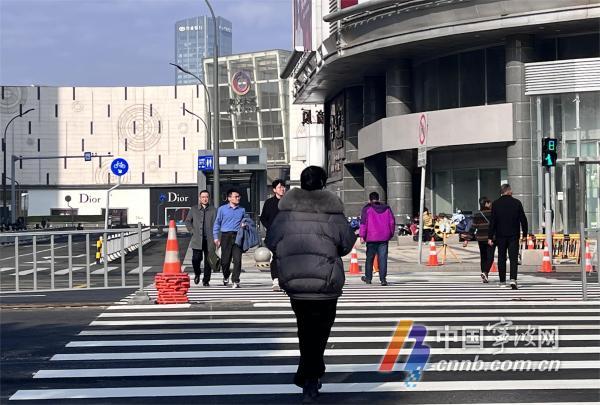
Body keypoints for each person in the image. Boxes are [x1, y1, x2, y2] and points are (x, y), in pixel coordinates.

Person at [266, 166, 356, 404]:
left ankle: (308, 375)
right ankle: (311, 376)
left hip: (296, 281)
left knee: (305, 329)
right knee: (321, 331)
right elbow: (347, 243)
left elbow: (271, 241)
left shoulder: (285, 212)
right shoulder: (333, 212)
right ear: (323, 183)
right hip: (326, 281)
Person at [488, 184, 528, 290]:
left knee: (501, 257)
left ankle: (502, 281)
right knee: (513, 258)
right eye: (511, 190)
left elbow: (493, 221)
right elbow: (523, 219)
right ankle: (513, 279)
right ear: (509, 191)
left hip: (500, 235)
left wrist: (490, 236)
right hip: (514, 235)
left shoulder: (496, 204)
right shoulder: (516, 203)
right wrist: (524, 234)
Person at [359, 191, 395, 286]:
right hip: (384, 237)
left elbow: (363, 223)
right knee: (382, 258)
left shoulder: (367, 209)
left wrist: (362, 235)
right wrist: (390, 234)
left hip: (371, 237)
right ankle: (383, 279)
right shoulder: (387, 208)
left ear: (369, 200)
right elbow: (392, 222)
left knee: (370, 258)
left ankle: (368, 278)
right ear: (378, 199)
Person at [213, 188, 246, 288]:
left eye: (239, 196)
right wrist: (216, 237)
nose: (238, 198)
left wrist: (244, 225)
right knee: (225, 261)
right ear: (229, 198)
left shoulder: (242, 210)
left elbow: (246, 221)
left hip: (238, 236)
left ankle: (235, 280)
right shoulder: (222, 209)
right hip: (225, 236)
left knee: (237, 260)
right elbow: (217, 223)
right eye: (236, 197)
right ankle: (226, 275)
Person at [185, 190, 217, 286]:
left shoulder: (214, 210)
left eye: (206, 197)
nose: (205, 199)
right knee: (196, 259)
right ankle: (197, 273)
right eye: (203, 197)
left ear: (209, 198)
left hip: (210, 239)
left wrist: (217, 238)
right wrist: (192, 231)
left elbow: (217, 224)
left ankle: (206, 280)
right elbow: (187, 221)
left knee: (208, 261)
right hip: (197, 239)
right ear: (199, 198)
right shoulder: (194, 209)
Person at [259, 179, 286, 291]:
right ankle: (275, 280)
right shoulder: (269, 203)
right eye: (280, 187)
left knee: (285, 257)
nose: (282, 189)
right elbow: (263, 218)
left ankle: (284, 279)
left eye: (283, 187)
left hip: (287, 235)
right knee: (275, 256)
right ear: (274, 190)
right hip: (273, 235)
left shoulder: (289, 202)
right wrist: (269, 227)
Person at [473, 197, 495, 283]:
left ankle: (484, 275)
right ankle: (485, 272)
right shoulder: (493, 213)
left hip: (480, 238)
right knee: (490, 257)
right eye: (489, 203)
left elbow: (473, 226)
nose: (490, 204)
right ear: (486, 203)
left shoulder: (477, 214)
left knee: (483, 257)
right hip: (491, 238)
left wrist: (467, 238)